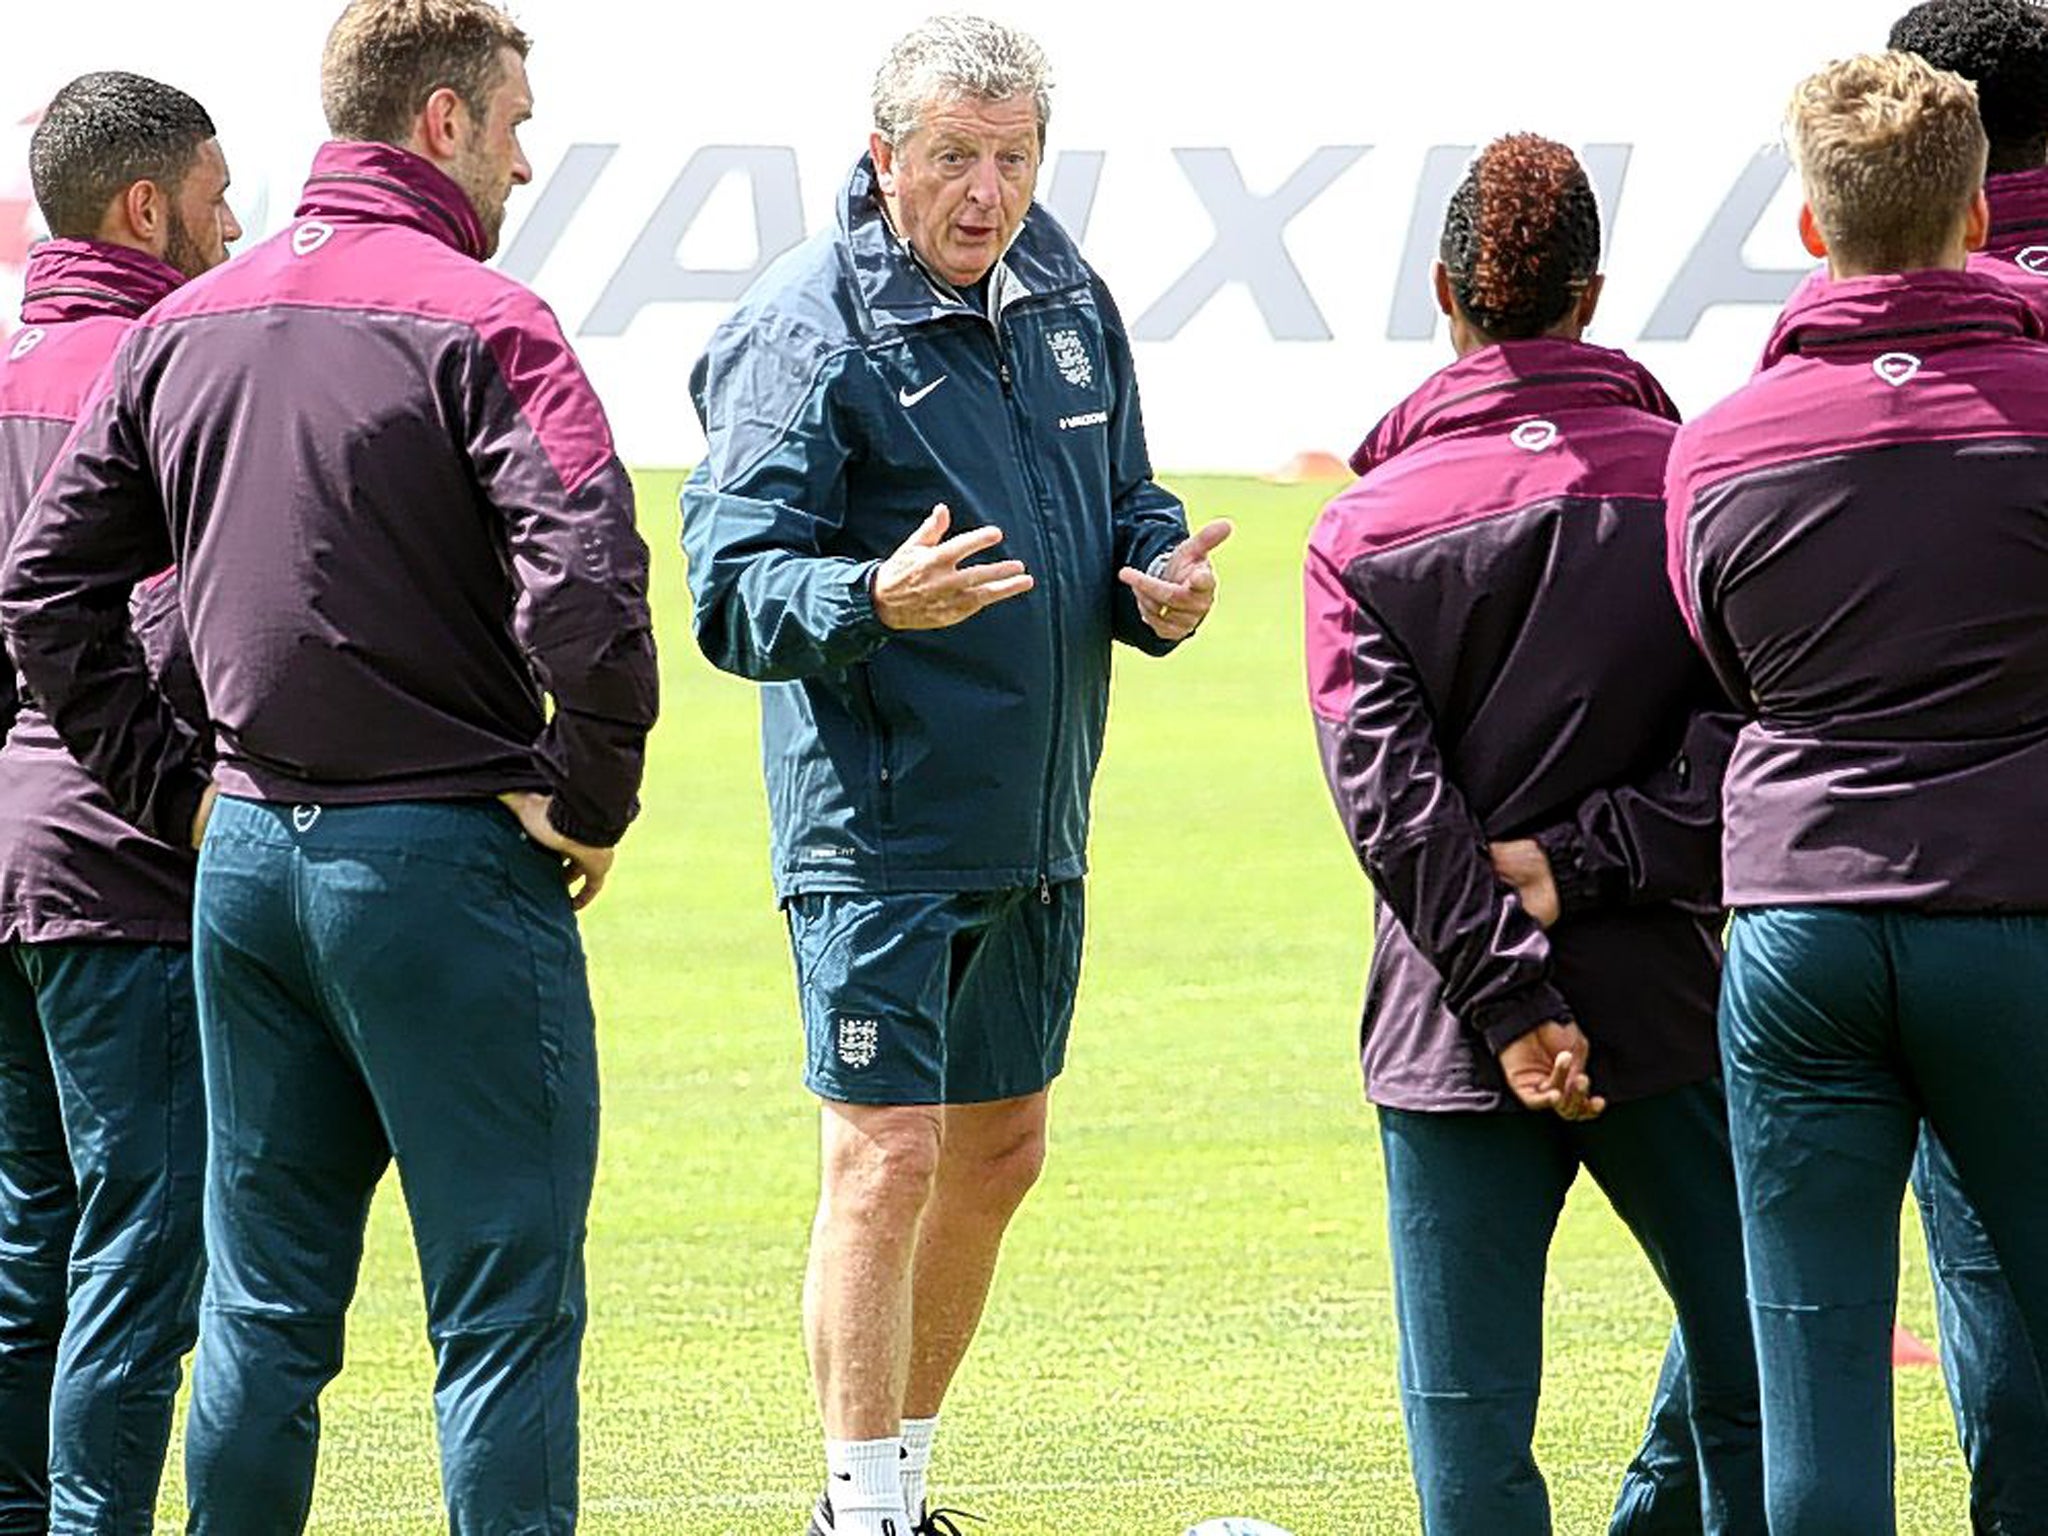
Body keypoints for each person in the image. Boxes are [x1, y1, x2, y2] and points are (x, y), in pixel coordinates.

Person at [0, 2, 658, 1530]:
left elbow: (45, 587)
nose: (524, 162)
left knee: (262, 1309)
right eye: (512, 127)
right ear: (441, 123)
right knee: (500, 1310)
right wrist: (595, 787)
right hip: (438, 862)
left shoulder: (182, 321)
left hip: (242, 868)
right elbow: (588, 573)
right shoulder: (485, 314)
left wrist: (179, 789)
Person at [681, 15, 1228, 1535]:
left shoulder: (1064, 290)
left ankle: (906, 1489)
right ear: (884, 158)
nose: (988, 192)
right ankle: (852, 1516)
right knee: (886, 1156)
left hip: (1040, 819)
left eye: (1013, 156)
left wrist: (1153, 576)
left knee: (1002, 1145)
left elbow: (1125, 493)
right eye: (954, 159)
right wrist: (870, 602)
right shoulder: (806, 327)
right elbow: (727, 581)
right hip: (880, 827)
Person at [1304, 134, 1762, 1535]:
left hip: (1452, 1020)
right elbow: (1750, 741)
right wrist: (1587, 864)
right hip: (1671, 1005)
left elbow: (1391, 801)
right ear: (1594, 293)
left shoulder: (1362, 525)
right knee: (1759, 1372)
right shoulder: (1695, 481)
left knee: (1471, 1425)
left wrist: (1505, 995)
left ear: (1445, 289)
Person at [1669, 49, 2048, 1534]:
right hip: (2012, 908)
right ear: (1979, 213)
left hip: (1801, 919)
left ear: (1812, 229)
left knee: (1814, 1362)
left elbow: (1724, 662)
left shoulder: (1718, 444)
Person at [0, 70, 236, 1535]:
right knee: (145, 1246)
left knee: (34, 1230)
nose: (235, 226)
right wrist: (187, 798)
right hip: (119, 866)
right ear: (145, 207)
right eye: (217, 199)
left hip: (12, 856)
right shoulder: (163, 371)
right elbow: (169, 631)